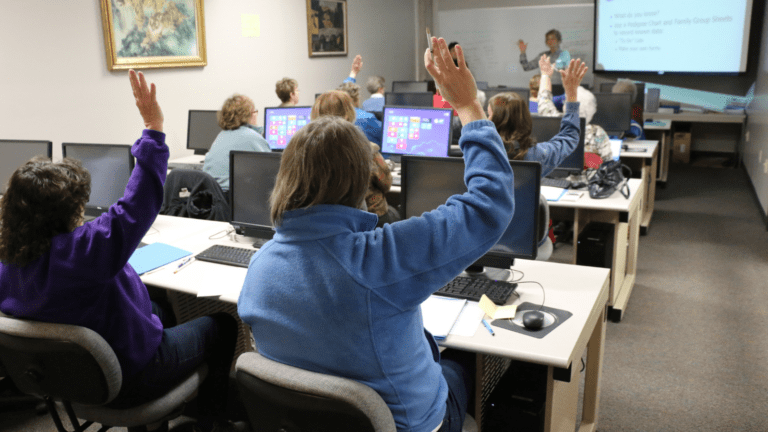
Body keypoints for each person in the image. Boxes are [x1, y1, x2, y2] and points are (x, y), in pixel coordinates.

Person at [238, 38, 514, 432]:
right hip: (408, 424)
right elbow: (490, 205)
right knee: (466, 364)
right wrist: (468, 106)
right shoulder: (381, 258)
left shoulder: (261, 264)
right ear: (360, 179)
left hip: (311, 424)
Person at [0, 70, 239, 432]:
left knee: (160, 306)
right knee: (221, 324)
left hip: (69, 383)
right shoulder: (84, 251)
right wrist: (153, 125)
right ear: (68, 214)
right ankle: (211, 418)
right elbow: (137, 202)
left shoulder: (9, 258)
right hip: (131, 377)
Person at [312, 90, 400, 227]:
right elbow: (386, 183)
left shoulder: (307, 152)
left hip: (326, 222)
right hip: (368, 218)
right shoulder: (366, 149)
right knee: (395, 213)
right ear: (347, 115)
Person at [488, 58, 587, 176]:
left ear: (498, 121)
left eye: (489, 115)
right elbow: (569, 136)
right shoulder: (537, 155)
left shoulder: (478, 152)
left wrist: (545, 75)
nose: (486, 119)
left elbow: (544, 100)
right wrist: (571, 94)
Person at [537, 55, 612, 164]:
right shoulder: (597, 133)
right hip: (588, 181)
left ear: (565, 106)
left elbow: (544, 99)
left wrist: (545, 75)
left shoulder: (553, 123)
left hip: (553, 179)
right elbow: (608, 163)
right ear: (592, 110)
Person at [203, 94, 270, 192]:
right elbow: (271, 170)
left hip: (215, 196)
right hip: (234, 197)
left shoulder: (221, 136)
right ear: (249, 114)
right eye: (255, 112)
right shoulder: (251, 137)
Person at [340, 54, 383, 145]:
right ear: (357, 99)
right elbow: (386, 134)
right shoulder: (366, 118)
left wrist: (353, 73)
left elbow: (344, 91)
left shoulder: (336, 116)